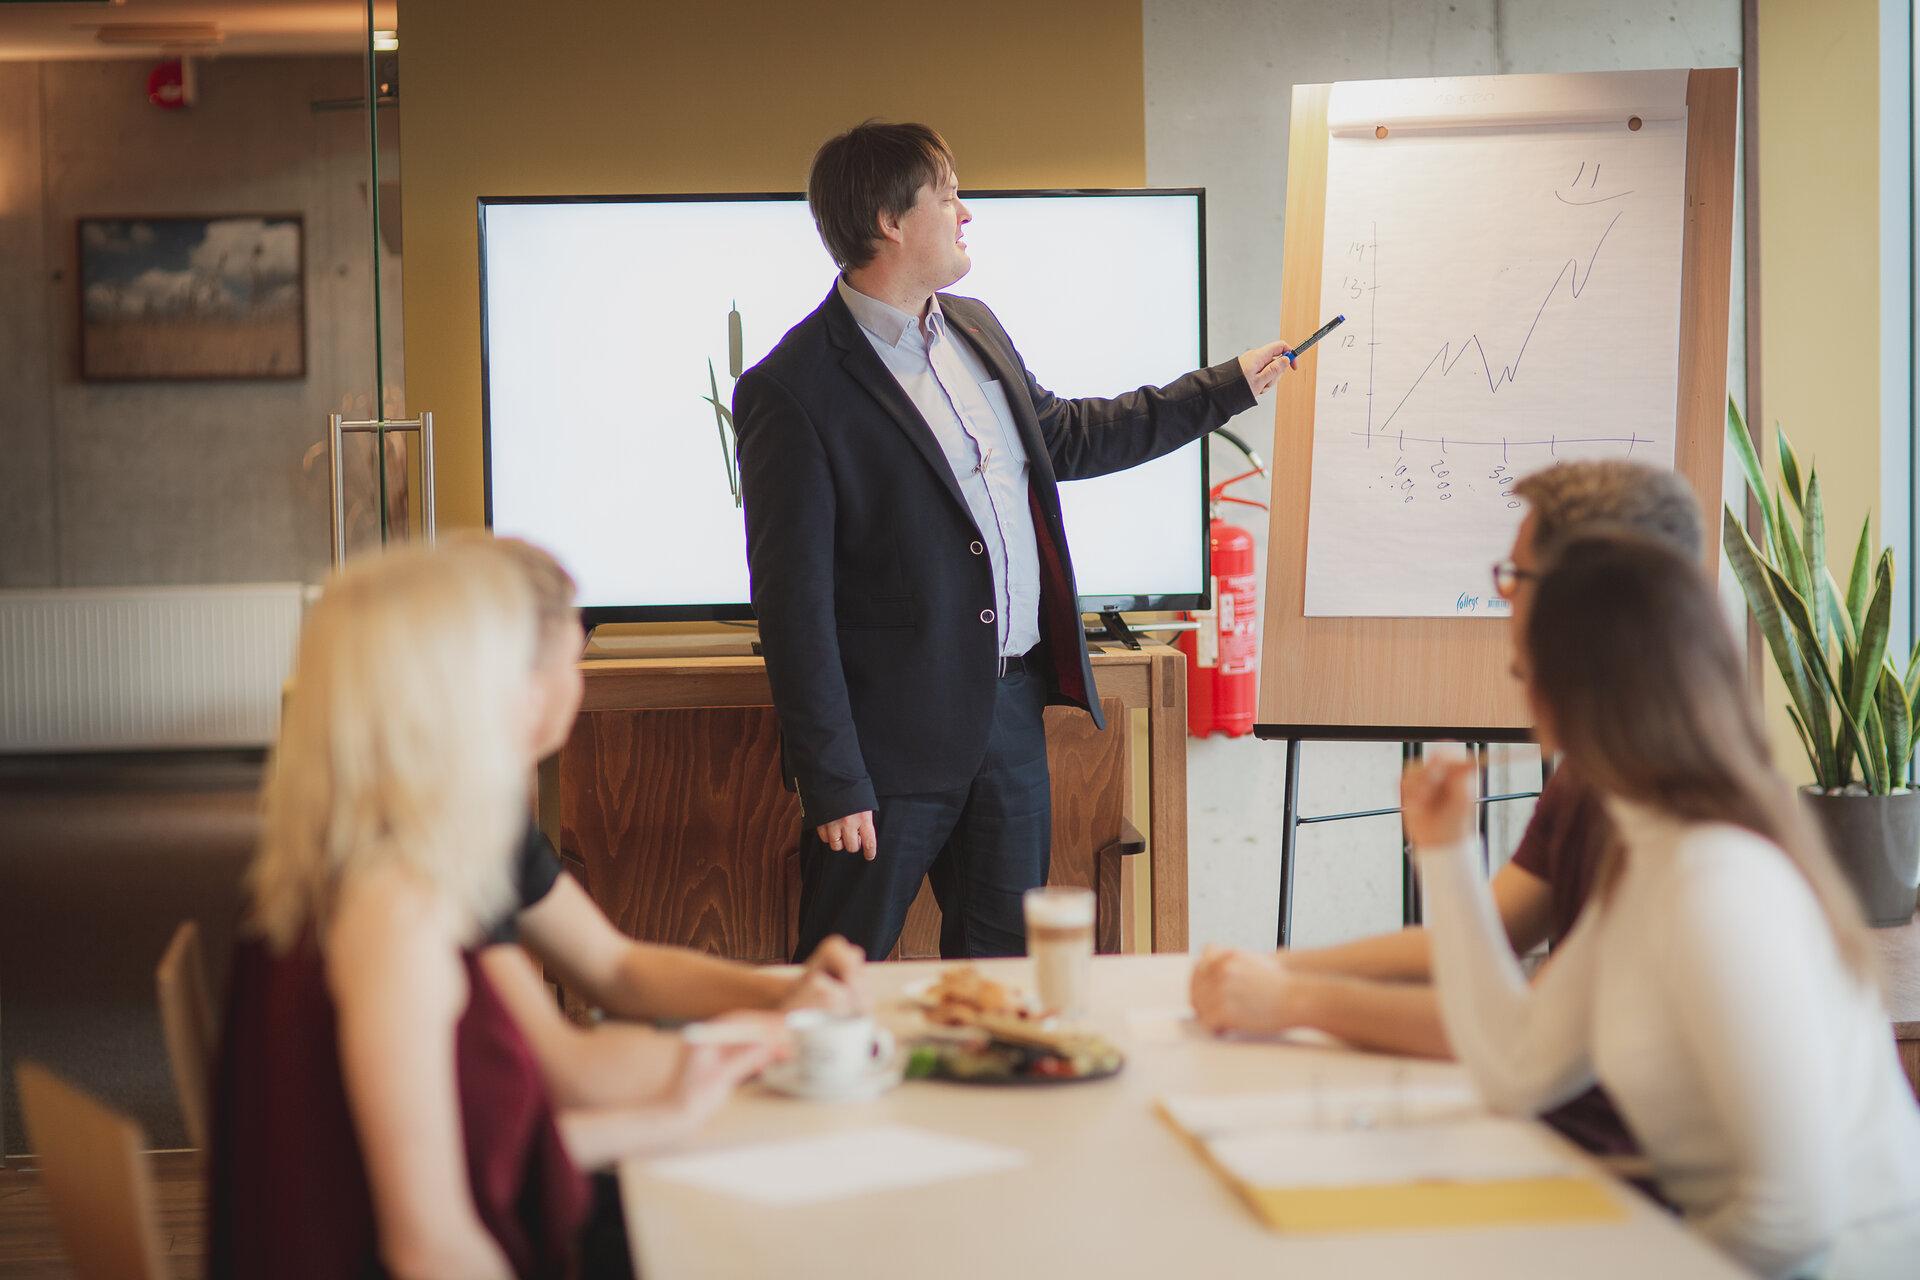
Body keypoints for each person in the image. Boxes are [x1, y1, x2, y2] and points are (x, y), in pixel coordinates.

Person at [735, 120, 1293, 961]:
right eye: (950, 191)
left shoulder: (974, 327)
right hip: (888, 753)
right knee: (837, 983)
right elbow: (793, 604)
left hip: (1008, 719)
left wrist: (1224, 388)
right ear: (890, 219)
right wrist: (833, 777)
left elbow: (1068, 437)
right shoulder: (791, 388)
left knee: (1007, 985)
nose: (967, 212)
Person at [210, 538, 779, 1280]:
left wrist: (665, 1117)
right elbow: (432, 1249)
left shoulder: (358, 869)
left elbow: (471, 1152)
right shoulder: (396, 917)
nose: (564, 686)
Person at [1402, 530, 1920, 1279]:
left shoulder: (1716, 884)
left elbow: (1793, 1221)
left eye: (1523, 674)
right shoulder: (1651, 862)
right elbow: (1515, 1068)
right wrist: (1447, 854)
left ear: (1561, 698)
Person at [1191, 459, 1701, 1157]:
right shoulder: (1596, 776)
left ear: (1584, 608)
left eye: (1514, 577)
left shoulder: (1676, 829)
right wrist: (1282, 966)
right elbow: (1477, 943)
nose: (1504, 604)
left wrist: (1289, 1000)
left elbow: (1516, 1036)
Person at [472, 539, 867, 1108]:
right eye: (572, 656)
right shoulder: (428, 866)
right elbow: (569, 1071)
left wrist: (783, 990)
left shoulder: (483, 828)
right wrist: (770, 1033)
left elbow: (616, 970)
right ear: (526, 687)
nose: (578, 676)